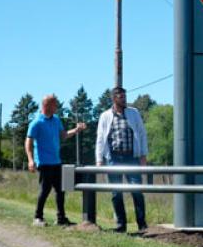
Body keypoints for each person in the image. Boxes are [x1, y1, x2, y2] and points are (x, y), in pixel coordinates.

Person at [25, 94, 86, 227]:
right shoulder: (36, 122)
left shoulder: (56, 120)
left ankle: (61, 218)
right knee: (45, 189)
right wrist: (30, 160)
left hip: (56, 161)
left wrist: (76, 130)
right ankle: (37, 218)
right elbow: (28, 142)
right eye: (55, 104)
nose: (57, 107)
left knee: (60, 190)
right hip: (44, 162)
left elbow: (63, 135)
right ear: (47, 105)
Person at [95, 86, 148, 233]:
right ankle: (121, 225)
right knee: (116, 192)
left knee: (137, 190)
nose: (124, 99)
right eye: (121, 97)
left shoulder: (133, 113)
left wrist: (143, 155)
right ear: (114, 99)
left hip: (132, 157)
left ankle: (142, 224)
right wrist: (99, 159)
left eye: (125, 96)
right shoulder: (105, 116)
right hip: (113, 158)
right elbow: (100, 138)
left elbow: (142, 134)